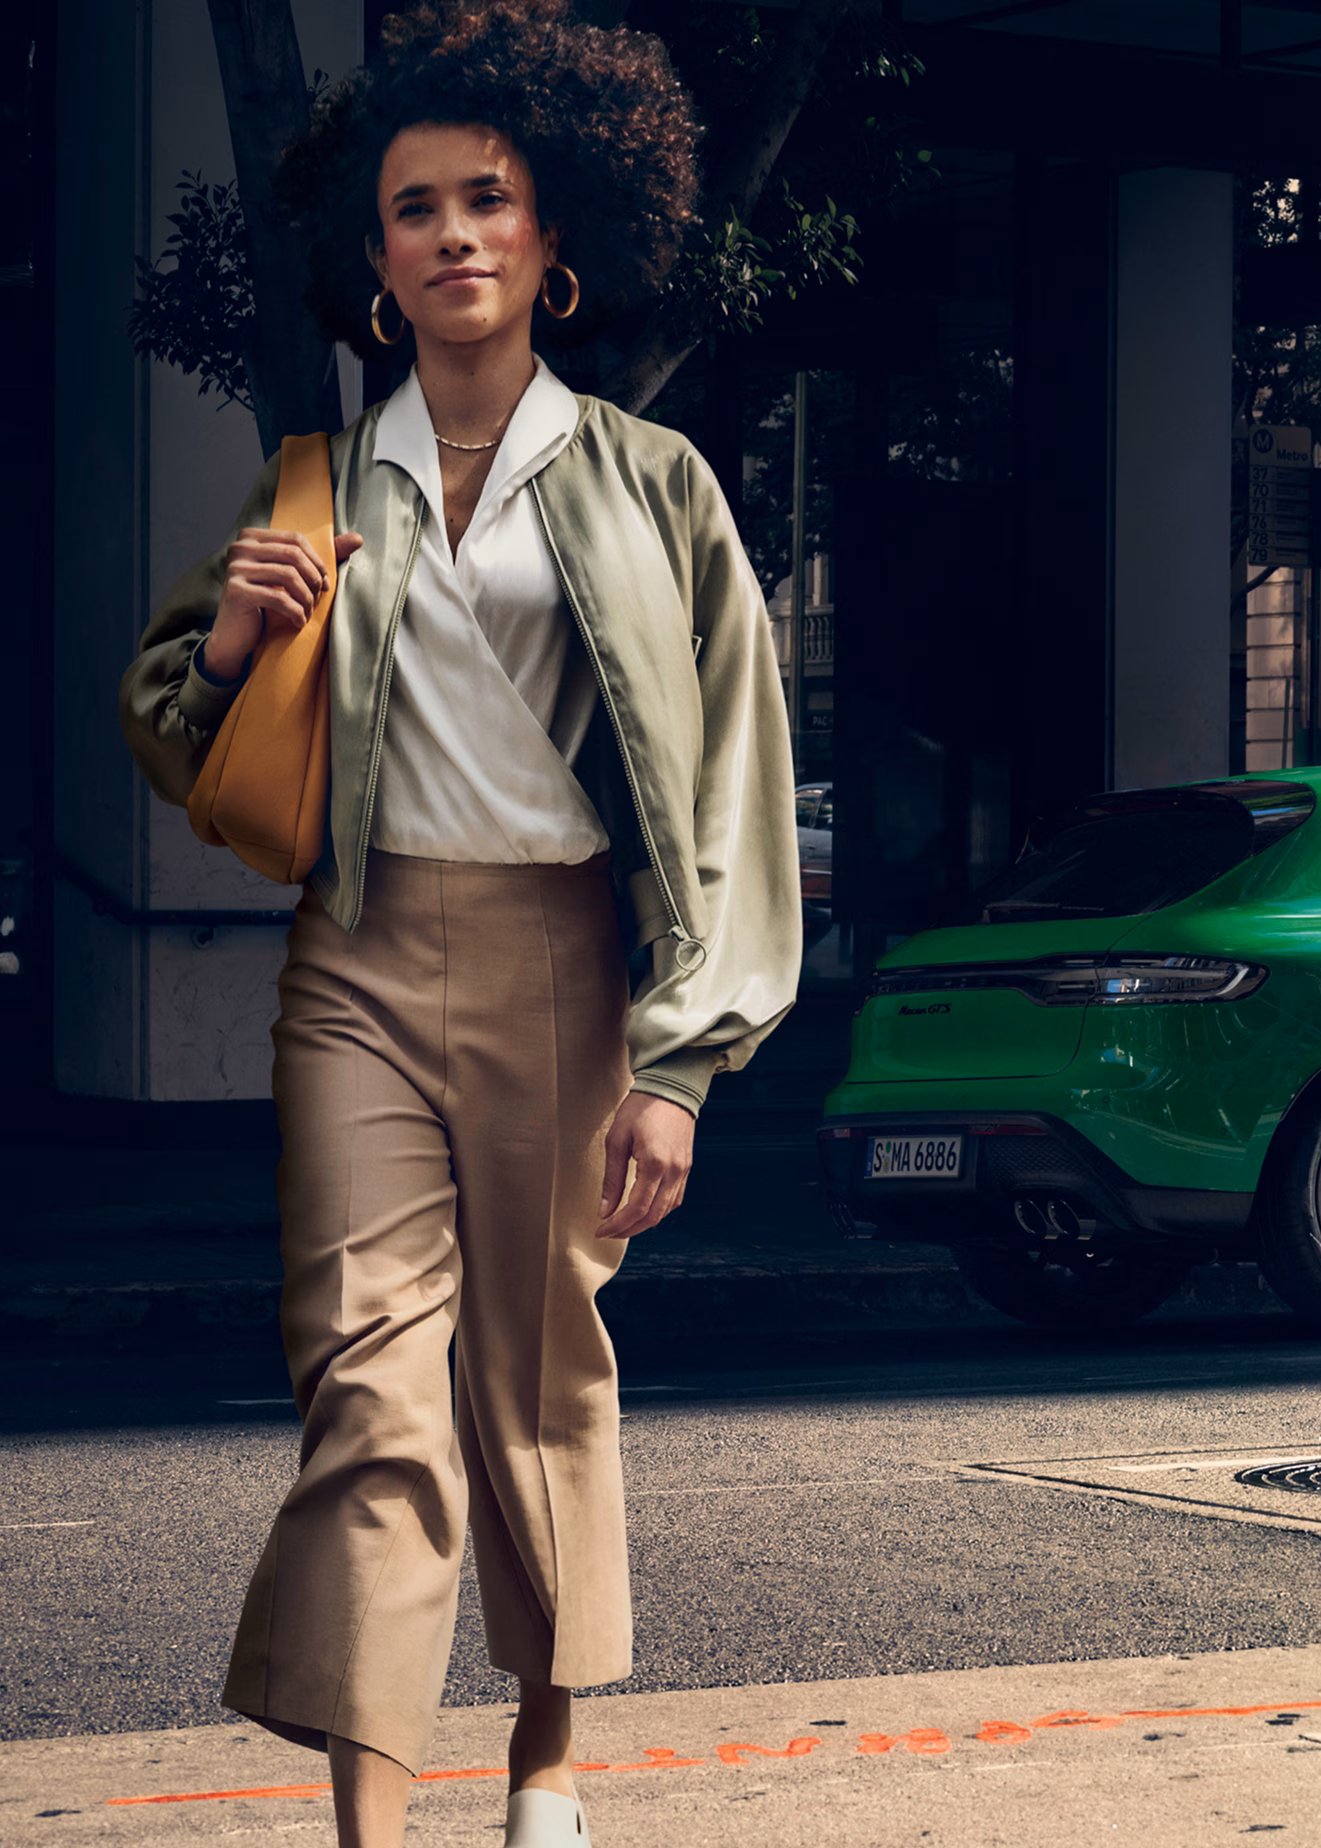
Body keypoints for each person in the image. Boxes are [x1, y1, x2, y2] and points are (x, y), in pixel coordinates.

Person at [117, 3, 798, 1842]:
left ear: (552, 238)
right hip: (354, 966)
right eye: (415, 210)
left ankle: (550, 1768)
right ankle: (369, 1821)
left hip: (565, 970)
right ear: (379, 259)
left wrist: (680, 1064)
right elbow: (175, 727)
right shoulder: (318, 485)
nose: (453, 236)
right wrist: (250, 635)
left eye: (486, 201)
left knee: (536, 1374)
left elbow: (732, 784)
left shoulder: (658, 489)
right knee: (367, 1390)